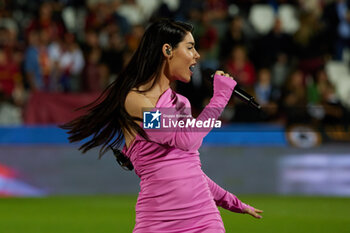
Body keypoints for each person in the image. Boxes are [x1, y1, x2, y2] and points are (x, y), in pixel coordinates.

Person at [61, 19, 263, 233]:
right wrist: (220, 97)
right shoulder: (135, 102)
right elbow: (185, 139)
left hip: (204, 219)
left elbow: (190, 170)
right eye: (190, 47)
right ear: (167, 50)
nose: (197, 55)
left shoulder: (182, 103)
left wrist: (232, 202)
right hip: (157, 223)